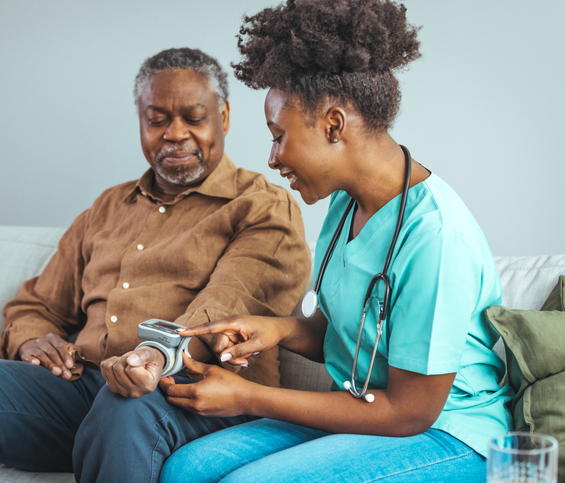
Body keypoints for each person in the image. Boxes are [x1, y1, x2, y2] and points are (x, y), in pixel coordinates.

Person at [0, 47, 311, 483]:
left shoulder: (261, 205)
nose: (175, 134)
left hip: (197, 395)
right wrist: (32, 341)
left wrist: (151, 358)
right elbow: (35, 304)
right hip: (87, 392)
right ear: (141, 122)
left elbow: (224, 308)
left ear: (223, 117)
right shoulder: (108, 207)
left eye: (193, 118)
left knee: (122, 404)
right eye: (157, 120)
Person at [158, 2, 514, 482]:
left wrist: (247, 396)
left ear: (334, 125)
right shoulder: (345, 205)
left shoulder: (436, 237)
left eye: (278, 136)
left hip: (447, 435)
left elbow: (410, 412)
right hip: (364, 408)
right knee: (186, 469)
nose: (272, 158)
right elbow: (347, 335)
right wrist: (275, 330)